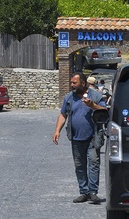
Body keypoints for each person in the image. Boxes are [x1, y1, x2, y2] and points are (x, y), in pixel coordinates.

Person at [52, 71, 106, 204]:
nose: (72, 85)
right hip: (76, 138)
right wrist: (57, 130)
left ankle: (93, 192)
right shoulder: (69, 97)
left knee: (93, 163)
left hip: (93, 137)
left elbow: (104, 111)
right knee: (79, 165)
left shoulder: (95, 95)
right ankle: (84, 192)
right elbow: (63, 114)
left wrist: (92, 105)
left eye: (74, 83)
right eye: (71, 82)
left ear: (83, 83)